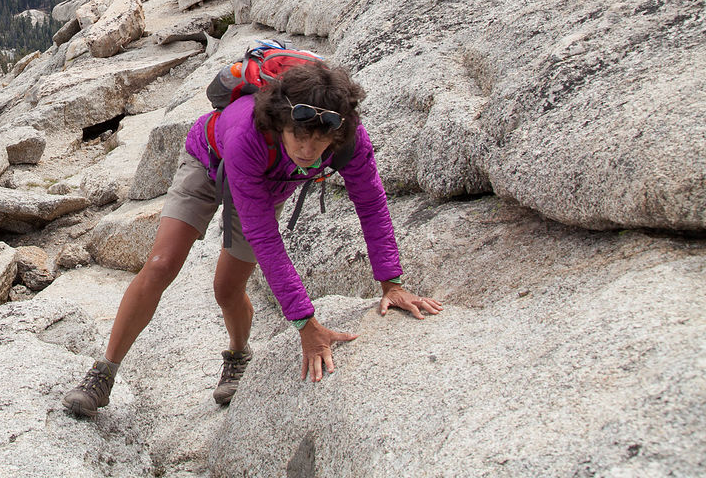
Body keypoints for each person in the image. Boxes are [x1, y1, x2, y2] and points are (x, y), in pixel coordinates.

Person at [63, 60, 442, 417]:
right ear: (281, 122)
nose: (308, 152)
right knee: (161, 264)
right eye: (299, 136)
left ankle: (238, 355)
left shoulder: (348, 138)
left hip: (267, 184)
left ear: (337, 132)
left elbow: (372, 203)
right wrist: (305, 324)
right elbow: (264, 235)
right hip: (208, 161)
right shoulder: (250, 133)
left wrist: (391, 283)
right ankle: (104, 373)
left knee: (227, 289)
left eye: (320, 141)